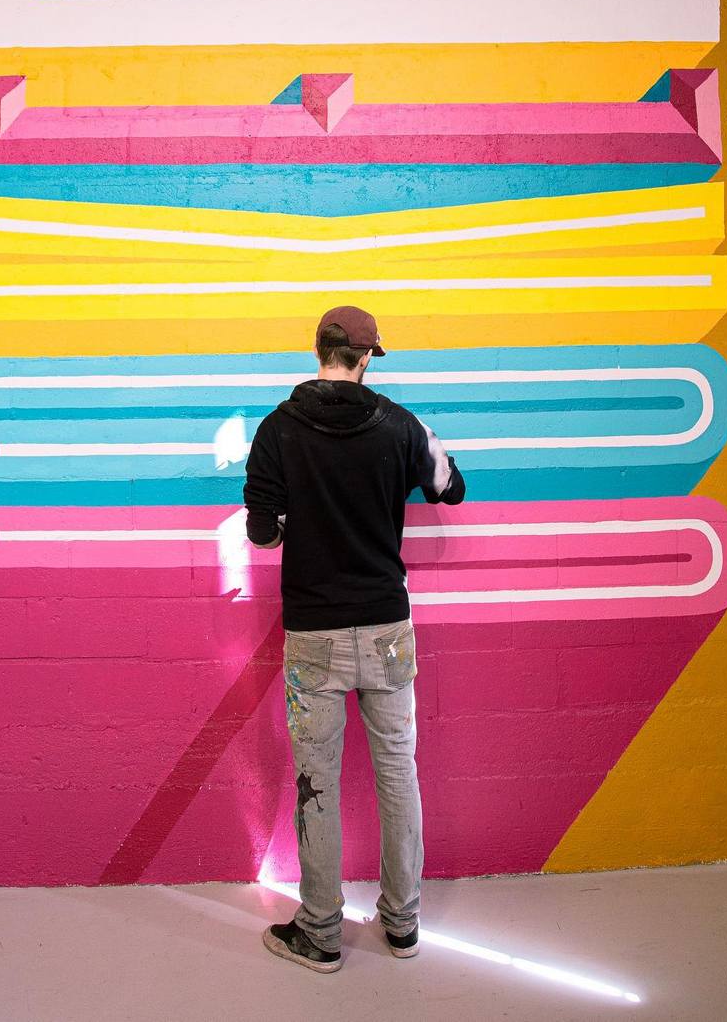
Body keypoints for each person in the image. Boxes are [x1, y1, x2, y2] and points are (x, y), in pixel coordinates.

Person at [243, 304, 466, 973]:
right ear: (366, 358)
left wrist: (302, 520)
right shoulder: (402, 424)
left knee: (318, 779)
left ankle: (320, 931)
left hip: (314, 632)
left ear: (319, 350)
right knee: (398, 772)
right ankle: (402, 923)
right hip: (387, 627)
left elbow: (262, 533)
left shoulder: (277, 429)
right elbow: (451, 487)